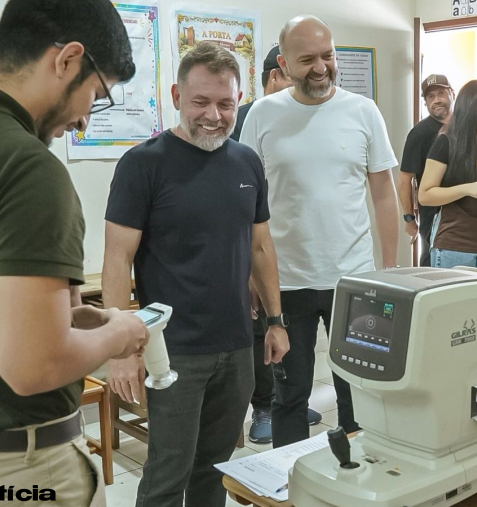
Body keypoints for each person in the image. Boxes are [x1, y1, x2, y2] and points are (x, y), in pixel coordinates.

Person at [0, 0, 147, 504]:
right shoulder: (27, 166)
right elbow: (34, 367)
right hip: (21, 470)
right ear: (68, 59)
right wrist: (119, 331)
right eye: (95, 94)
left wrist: (67, 320)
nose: (84, 118)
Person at [104, 42, 289, 506]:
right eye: (200, 102)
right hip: (173, 351)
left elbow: (261, 247)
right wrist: (121, 350)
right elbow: (116, 260)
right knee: (168, 473)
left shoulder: (246, 162)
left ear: (239, 100)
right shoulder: (143, 165)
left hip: (236, 345)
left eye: (225, 104)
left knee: (215, 470)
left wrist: (275, 321)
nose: (213, 115)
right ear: (176, 96)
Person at [240, 15, 399, 448]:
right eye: (307, 59)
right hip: (286, 282)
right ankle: (288, 478)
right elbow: (246, 202)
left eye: (327, 56)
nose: (321, 67)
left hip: (355, 280)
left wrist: (389, 270)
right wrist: (251, 274)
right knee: (290, 395)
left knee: (359, 392)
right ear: (283, 63)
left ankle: (358, 476)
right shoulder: (263, 114)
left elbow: (384, 195)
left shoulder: (363, 111)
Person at [229, 44, 321, 444]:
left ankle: (287, 401)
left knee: (288, 339)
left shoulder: (301, 116)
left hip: (294, 253)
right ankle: (263, 407)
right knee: (262, 332)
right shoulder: (250, 118)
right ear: (276, 75)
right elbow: (241, 194)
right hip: (258, 248)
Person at [418, 80, 477, 274]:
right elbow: (425, 195)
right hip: (455, 244)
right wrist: (468, 189)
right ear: (474, 104)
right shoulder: (446, 142)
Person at [398, 74, 454, 266]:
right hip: (433, 215)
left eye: (441, 93)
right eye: (430, 96)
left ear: (452, 94)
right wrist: (409, 218)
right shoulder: (419, 134)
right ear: (425, 102)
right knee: (433, 266)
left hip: (465, 214)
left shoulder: (467, 127)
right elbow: (405, 179)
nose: (436, 100)